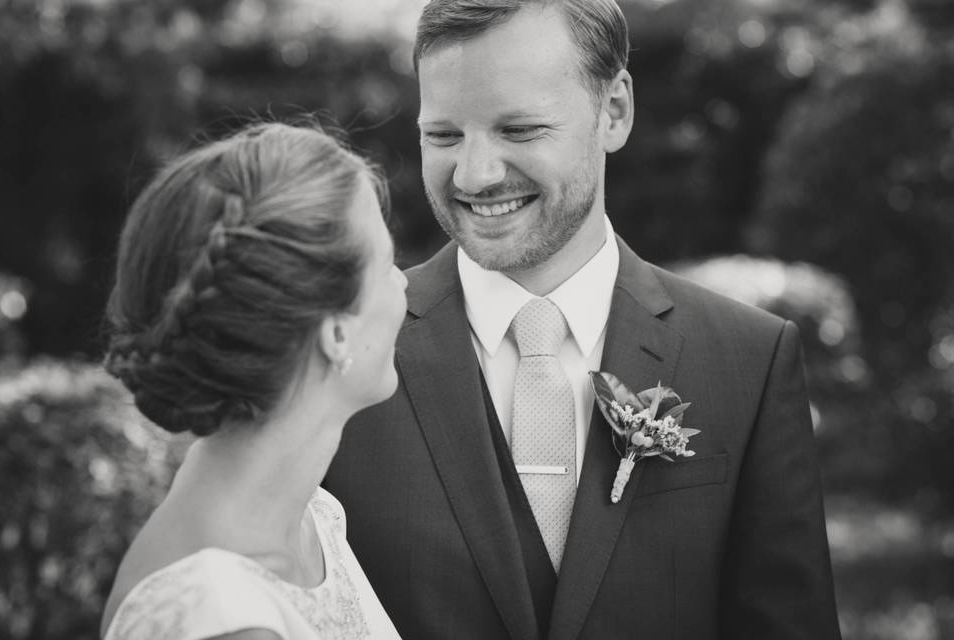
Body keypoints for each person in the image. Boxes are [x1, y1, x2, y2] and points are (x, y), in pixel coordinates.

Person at [324, 1, 841, 639]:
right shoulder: (337, 352)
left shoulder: (748, 359)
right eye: (445, 135)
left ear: (614, 110)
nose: (475, 174)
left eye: (519, 130)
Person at [99, 123, 406, 640]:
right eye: (387, 265)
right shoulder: (225, 620)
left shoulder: (308, 514)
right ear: (335, 332)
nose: (403, 283)